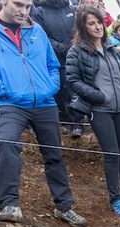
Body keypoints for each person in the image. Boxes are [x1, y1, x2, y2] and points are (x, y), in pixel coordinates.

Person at [0, 0, 87, 227]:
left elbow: (52, 64)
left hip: (44, 102)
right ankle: (9, 205)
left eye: (28, 6)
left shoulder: (36, 30)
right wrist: (2, 88)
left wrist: (50, 87)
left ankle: (64, 207)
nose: (24, 11)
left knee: (54, 154)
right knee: (7, 142)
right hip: (9, 102)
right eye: (19, 5)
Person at [66, 5, 120, 218]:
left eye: (99, 22)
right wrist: (97, 96)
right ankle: (115, 199)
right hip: (100, 110)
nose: (97, 27)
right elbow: (72, 80)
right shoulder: (77, 51)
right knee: (111, 154)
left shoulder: (111, 47)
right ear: (83, 27)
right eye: (91, 23)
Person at [32, 0, 85, 138]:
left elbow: (81, 29)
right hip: (54, 57)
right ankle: (64, 120)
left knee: (75, 88)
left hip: (75, 54)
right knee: (59, 89)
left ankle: (78, 123)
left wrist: (73, 45)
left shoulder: (73, 10)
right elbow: (40, 34)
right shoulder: (39, 12)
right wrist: (60, 47)